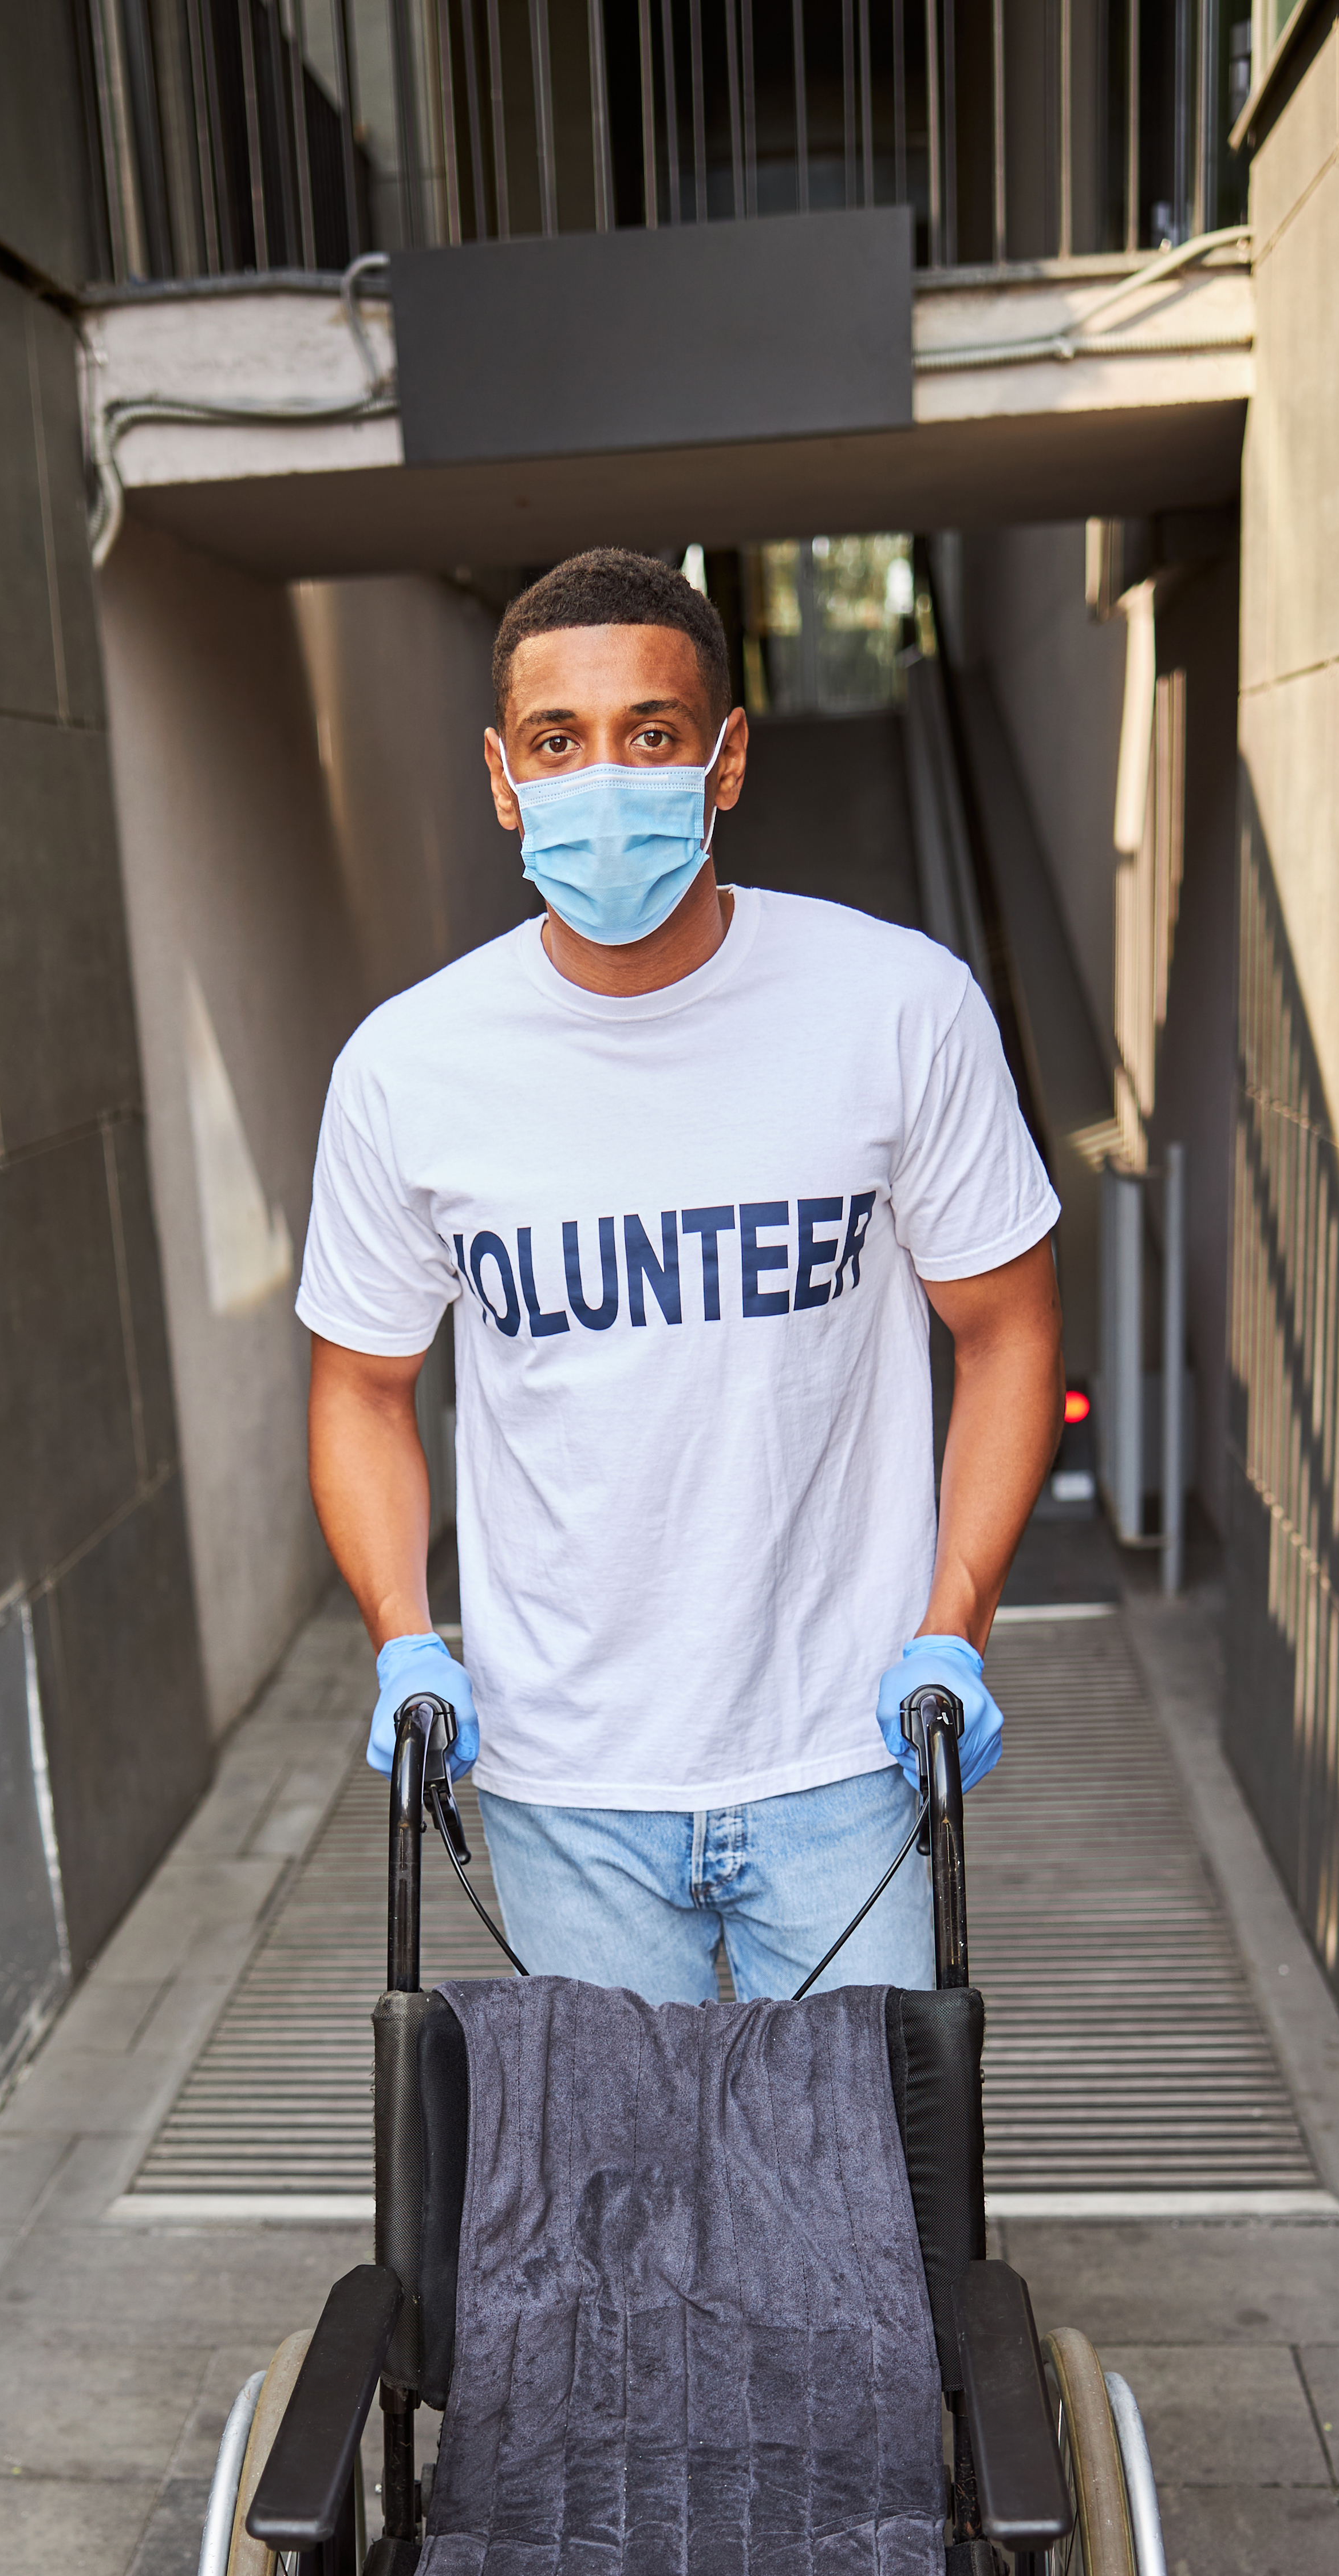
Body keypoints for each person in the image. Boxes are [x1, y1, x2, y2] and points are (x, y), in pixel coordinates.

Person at [296, 545, 1063, 1999]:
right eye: (556, 742)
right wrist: (406, 1638)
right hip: (562, 1781)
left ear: (724, 761)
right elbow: (361, 1388)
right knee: (610, 2219)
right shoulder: (408, 1069)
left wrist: (950, 1625)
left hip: (847, 1757)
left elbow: (1009, 1330)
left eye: (650, 734)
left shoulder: (896, 1008)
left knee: (857, 2214)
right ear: (499, 776)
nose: (605, 776)